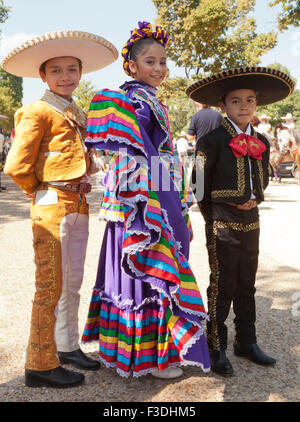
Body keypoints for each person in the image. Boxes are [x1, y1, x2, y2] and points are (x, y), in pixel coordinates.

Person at [82, 21, 210, 379]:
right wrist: (166, 202)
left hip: (138, 190)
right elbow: (140, 155)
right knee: (154, 257)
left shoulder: (146, 99)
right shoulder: (135, 101)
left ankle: (129, 349)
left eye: (163, 62)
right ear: (132, 66)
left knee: (139, 262)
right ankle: (151, 357)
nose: (159, 68)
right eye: (150, 61)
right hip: (144, 194)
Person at [2, 30, 118, 388]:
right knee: (49, 285)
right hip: (53, 203)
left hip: (79, 202)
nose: (65, 76)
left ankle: (66, 346)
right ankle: (39, 363)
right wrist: (40, 192)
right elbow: (16, 165)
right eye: (57, 71)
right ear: (43, 76)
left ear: (80, 73)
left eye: (72, 69)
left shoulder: (76, 111)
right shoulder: (37, 110)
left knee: (72, 281)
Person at [186, 66, 294, 376]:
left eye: (249, 100)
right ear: (223, 105)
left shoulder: (261, 139)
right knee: (223, 283)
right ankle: (216, 345)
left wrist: (254, 197)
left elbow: (264, 179)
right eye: (236, 101)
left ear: (256, 103)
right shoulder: (212, 140)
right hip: (222, 218)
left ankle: (247, 341)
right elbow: (199, 184)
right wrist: (214, 214)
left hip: (252, 218)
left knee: (247, 282)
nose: (243, 106)